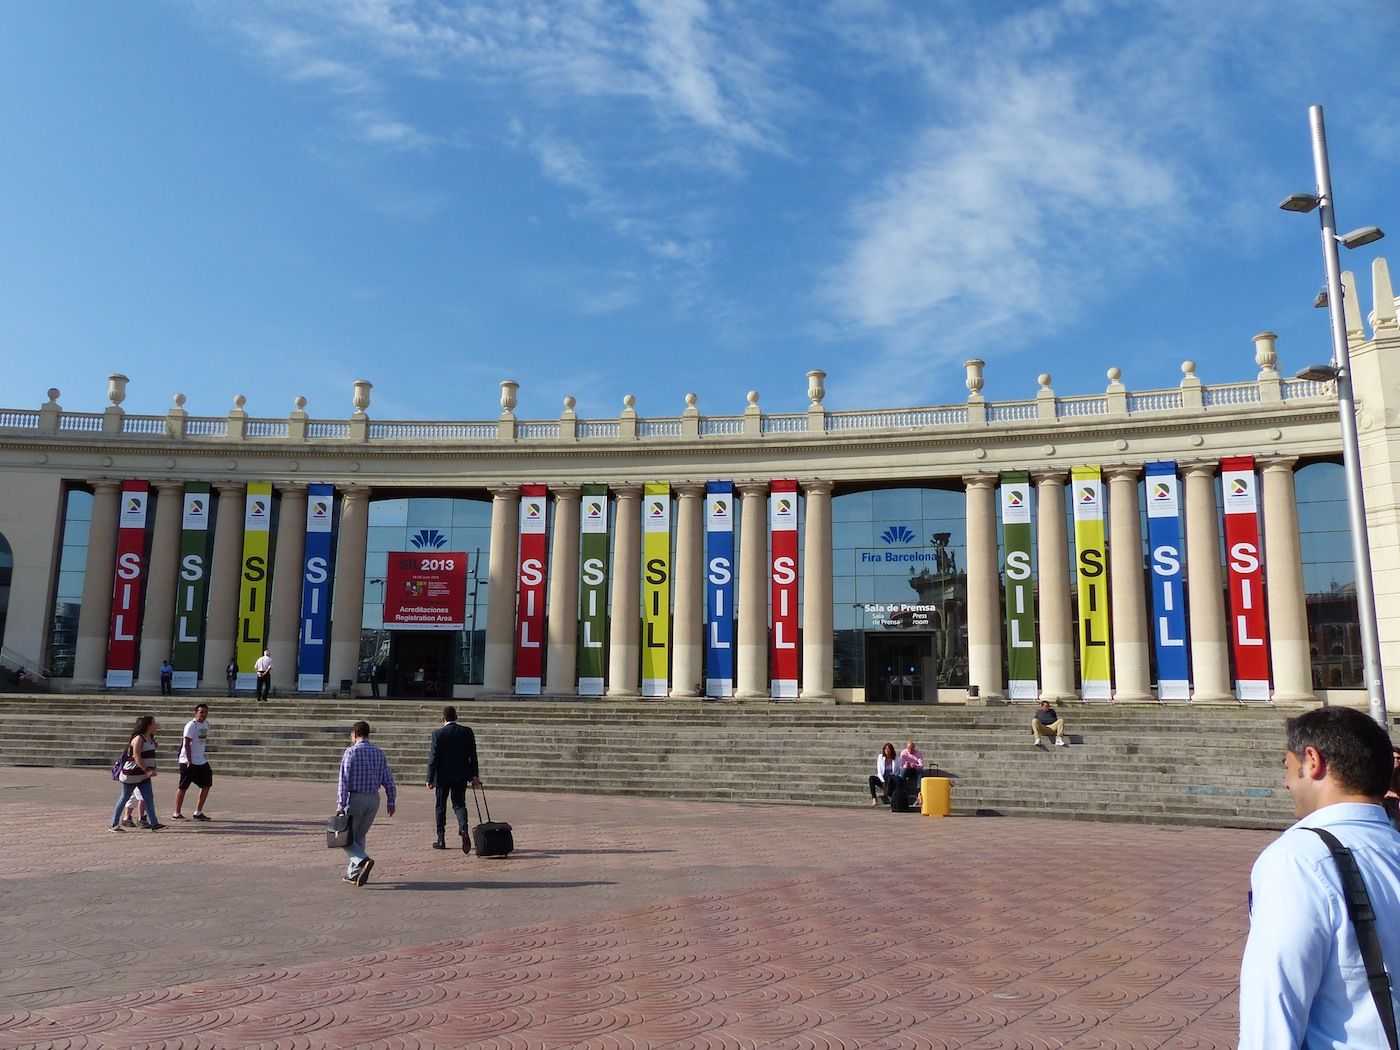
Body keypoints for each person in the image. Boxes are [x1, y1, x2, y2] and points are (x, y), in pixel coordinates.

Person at [1238, 706, 1400, 1048]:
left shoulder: (1297, 859)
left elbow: (1275, 1001)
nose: (1285, 782)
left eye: (1288, 766)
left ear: (1312, 761)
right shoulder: (1393, 846)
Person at [336, 720, 396, 887]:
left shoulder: (351, 752)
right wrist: (391, 800)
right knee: (359, 836)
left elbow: (344, 780)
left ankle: (363, 861)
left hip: (355, 799)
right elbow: (388, 779)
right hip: (373, 799)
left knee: (344, 838)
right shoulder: (378, 752)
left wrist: (340, 804)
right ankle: (353, 874)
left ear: (355, 734)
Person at [426, 706, 480, 852]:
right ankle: (463, 829)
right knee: (459, 805)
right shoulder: (466, 732)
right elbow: (473, 755)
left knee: (440, 806)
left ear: (442, 718)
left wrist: (429, 778)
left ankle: (441, 839)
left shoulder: (438, 734)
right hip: (461, 775)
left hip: (442, 776)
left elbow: (433, 757)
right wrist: (475, 775)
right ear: (456, 717)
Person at [110, 715, 165, 832]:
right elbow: (136, 756)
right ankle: (114, 824)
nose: (156, 725)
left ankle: (154, 823)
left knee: (148, 798)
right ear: (148, 725)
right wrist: (147, 770)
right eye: (154, 723)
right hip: (132, 774)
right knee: (124, 798)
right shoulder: (138, 738)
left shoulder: (150, 737)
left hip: (143, 776)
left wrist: (152, 766)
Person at [172, 703, 213, 821]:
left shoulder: (206, 724)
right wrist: (189, 761)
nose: (204, 714)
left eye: (206, 712)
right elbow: (187, 744)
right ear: (196, 713)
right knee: (183, 786)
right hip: (188, 761)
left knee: (206, 784)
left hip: (201, 760)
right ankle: (177, 812)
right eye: (201, 712)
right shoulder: (191, 725)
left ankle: (198, 812)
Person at [869, 742, 899, 807]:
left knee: (891, 778)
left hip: (890, 780)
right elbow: (879, 771)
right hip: (882, 779)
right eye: (886, 749)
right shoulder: (880, 757)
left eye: (888, 749)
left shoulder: (895, 758)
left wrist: (893, 775)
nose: (887, 750)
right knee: (871, 778)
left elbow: (897, 771)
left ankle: (889, 796)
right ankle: (874, 798)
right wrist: (883, 781)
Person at [897, 740, 924, 807]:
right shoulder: (903, 753)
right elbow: (901, 765)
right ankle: (903, 789)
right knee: (903, 771)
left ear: (914, 748)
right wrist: (907, 765)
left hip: (915, 770)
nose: (910, 750)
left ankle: (918, 789)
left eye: (912, 749)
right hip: (907, 770)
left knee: (920, 772)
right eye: (909, 748)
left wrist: (915, 765)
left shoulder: (918, 753)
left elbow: (921, 765)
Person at [1385, 744, 1400, 832]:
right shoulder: (1383, 773)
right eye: (1394, 758)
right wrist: (1395, 795)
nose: (1396, 760)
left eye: (1398, 758)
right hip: (1390, 810)